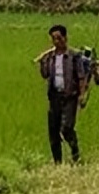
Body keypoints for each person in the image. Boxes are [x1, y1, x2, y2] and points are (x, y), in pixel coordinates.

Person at [35, 24, 88, 164]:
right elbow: (45, 74)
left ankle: (75, 152)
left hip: (69, 96)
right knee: (53, 131)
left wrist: (82, 95)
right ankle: (57, 162)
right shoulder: (50, 57)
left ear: (65, 38)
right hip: (54, 97)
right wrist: (42, 63)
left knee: (67, 128)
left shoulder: (74, 56)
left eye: (59, 38)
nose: (56, 41)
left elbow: (81, 76)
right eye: (54, 39)